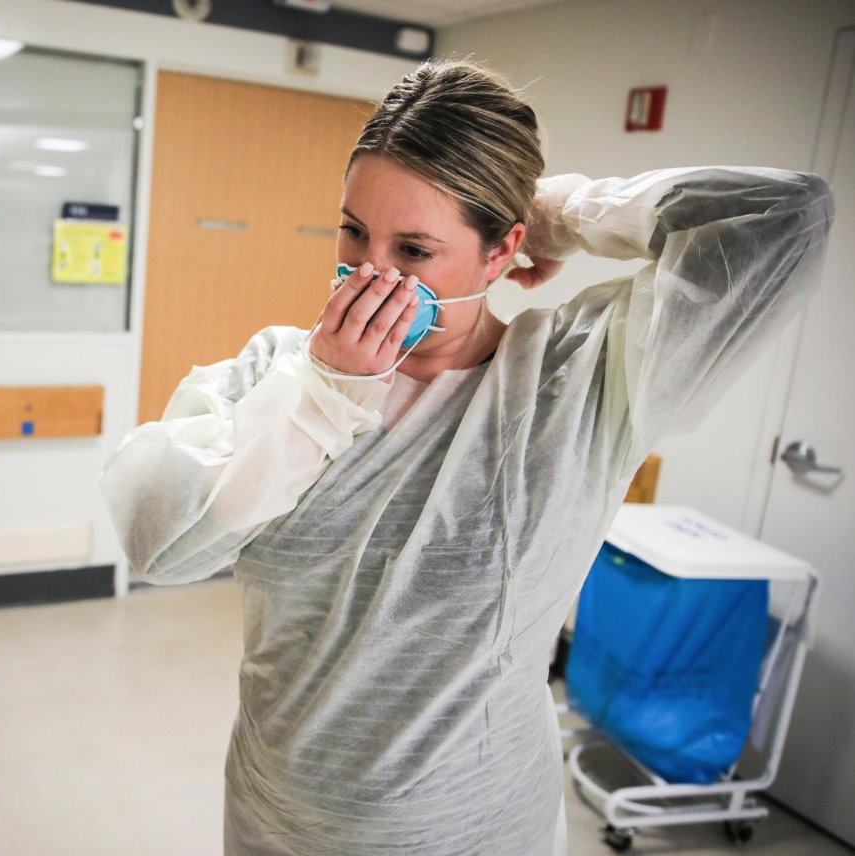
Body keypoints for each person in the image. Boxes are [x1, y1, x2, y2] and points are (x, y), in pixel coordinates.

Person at [100, 60, 834, 855]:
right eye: (353, 230)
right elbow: (162, 542)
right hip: (281, 818)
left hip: (473, 826)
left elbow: (782, 215)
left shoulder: (575, 380)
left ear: (501, 251)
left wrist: (565, 211)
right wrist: (321, 398)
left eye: (414, 247)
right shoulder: (276, 376)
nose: (369, 271)